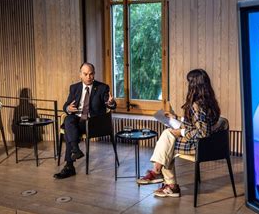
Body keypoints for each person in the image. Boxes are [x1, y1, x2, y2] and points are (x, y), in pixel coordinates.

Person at [136, 69, 220, 198]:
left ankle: (164, 178)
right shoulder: (209, 102)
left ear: (194, 85)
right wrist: (177, 118)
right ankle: (165, 180)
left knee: (167, 142)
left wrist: (180, 131)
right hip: (209, 145)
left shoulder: (197, 105)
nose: (188, 85)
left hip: (201, 147)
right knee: (168, 139)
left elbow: (203, 132)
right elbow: (198, 123)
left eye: (189, 82)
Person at [54, 62, 116, 179]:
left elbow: (110, 104)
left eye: (91, 74)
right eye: (85, 74)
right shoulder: (74, 88)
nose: (88, 77)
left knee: (69, 128)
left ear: (94, 74)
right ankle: (75, 150)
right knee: (68, 119)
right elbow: (66, 105)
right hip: (77, 120)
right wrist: (68, 108)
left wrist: (110, 103)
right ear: (80, 75)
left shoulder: (102, 88)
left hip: (93, 123)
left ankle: (70, 165)